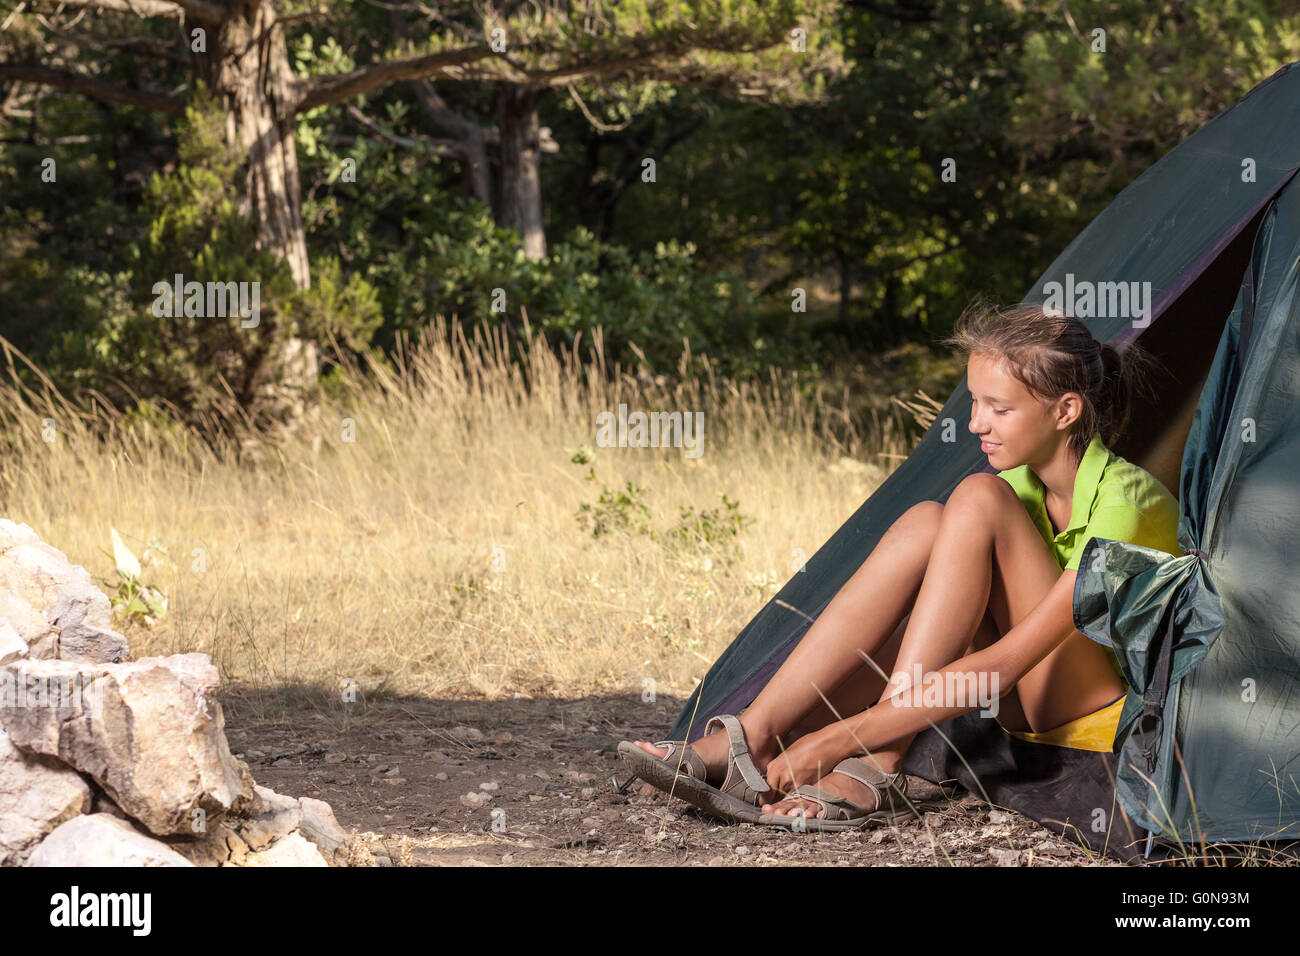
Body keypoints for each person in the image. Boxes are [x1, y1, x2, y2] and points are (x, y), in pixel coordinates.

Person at [625, 299, 1181, 825]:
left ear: (1066, 411)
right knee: (926, 519)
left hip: (1090, 713)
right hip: (1017, 698)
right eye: (974, 402)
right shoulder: (1017, 489)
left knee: (975, 498)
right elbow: (947, 631)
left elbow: (1009, 663)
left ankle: (877, 759)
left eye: (999, 408)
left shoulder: (1126, 505)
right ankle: (754, 734)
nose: (975, 424)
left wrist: (845, 737)